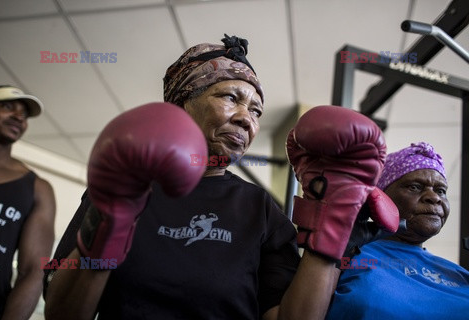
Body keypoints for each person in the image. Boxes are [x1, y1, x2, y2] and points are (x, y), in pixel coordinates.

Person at [43, 35, 397, 320]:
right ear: (181, 104)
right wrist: (111, 220)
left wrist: (332, 229)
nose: (248, 119)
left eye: (256, 110)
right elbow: (63, 312)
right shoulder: (122, 186)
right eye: (231, 97)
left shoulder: (261, 210)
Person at [326, 142, 469, 319]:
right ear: (382, 197)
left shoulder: (460, 274)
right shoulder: (345, 256)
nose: (434, 198)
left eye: (441, 191)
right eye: (415, 187)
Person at [0, 85, 56, 319]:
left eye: (24, 114)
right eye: (8, 106)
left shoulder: (37, 188)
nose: (19, 117)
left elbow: (33, 272)